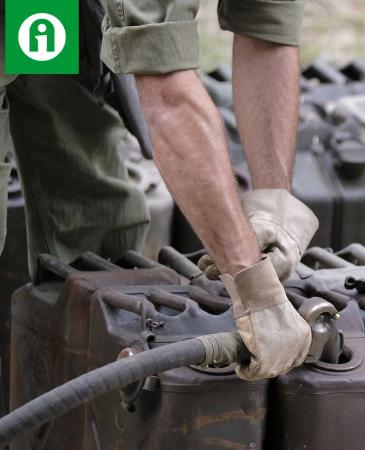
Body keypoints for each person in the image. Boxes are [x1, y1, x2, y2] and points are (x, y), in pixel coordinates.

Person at [98, 0, 317, 381]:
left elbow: (267, 27)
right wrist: (255, 291)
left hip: (45, 14)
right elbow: (168, 95)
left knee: (78, 188)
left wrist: (274, 203)